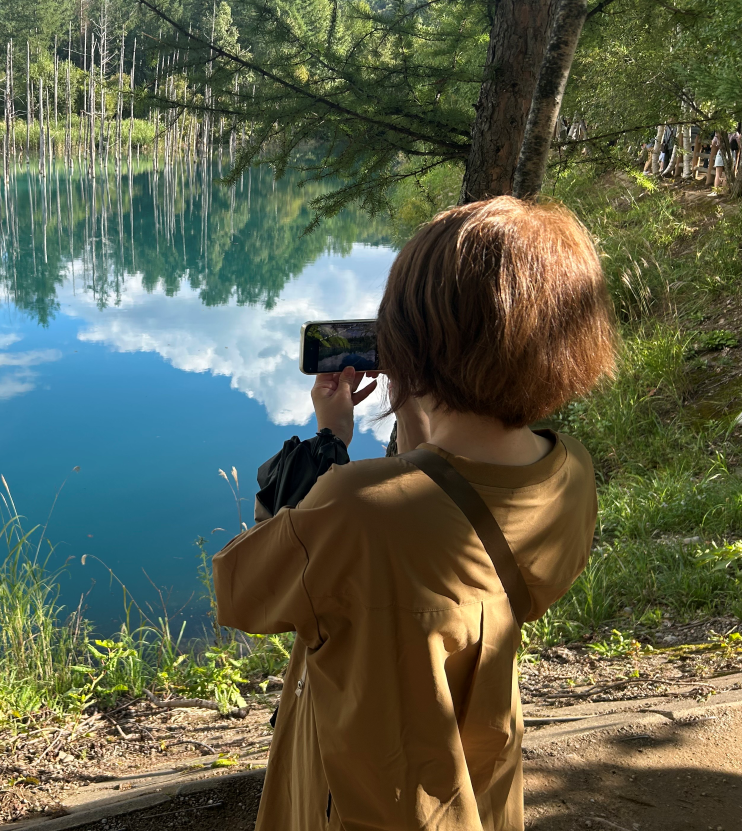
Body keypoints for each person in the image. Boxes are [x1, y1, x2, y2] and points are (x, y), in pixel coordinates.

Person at [213, 197, 618, 831]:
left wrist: (330, 442)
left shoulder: (359, 511)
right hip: (480, 777)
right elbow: (450, 491)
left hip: (364, 800)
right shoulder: (568, 471)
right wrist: (413, 405)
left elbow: (242, 593)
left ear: (415, 341)